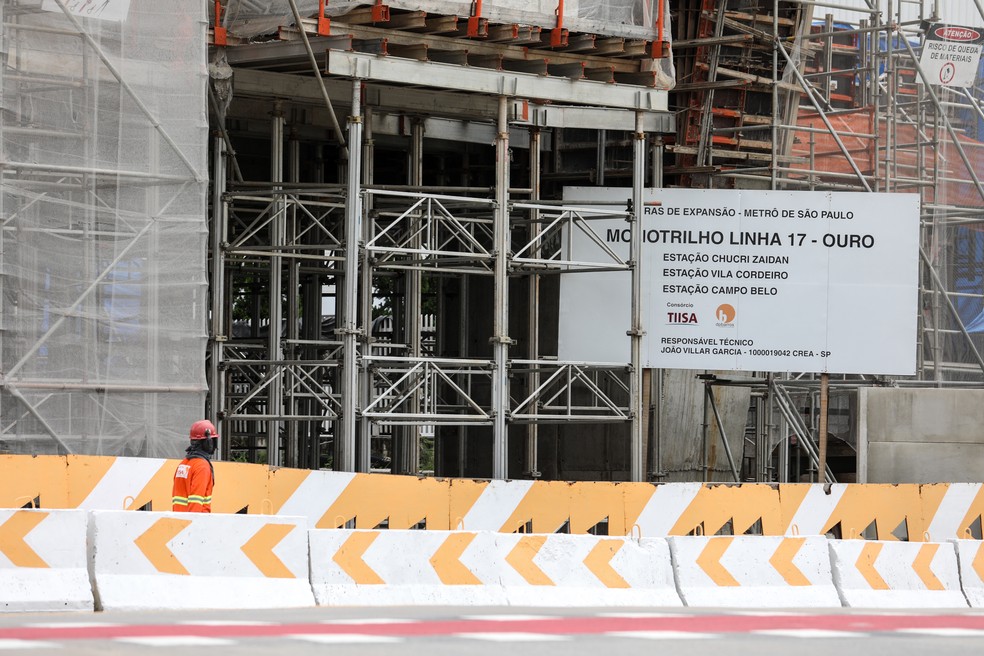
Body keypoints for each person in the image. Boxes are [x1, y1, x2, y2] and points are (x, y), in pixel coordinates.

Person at [172, 420, 217, 512]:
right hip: (196, 522)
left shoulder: (183, 464)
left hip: (179, 521)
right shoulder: (202, 466)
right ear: (207, 442)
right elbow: (196, 500)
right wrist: (194, 524)